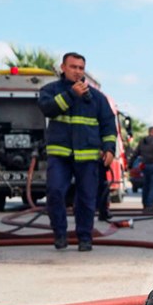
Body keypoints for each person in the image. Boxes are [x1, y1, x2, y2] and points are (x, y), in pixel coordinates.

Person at [38, 53, 118, 252]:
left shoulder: (97, 98)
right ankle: (60, 235)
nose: (77, 71)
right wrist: (72, 94)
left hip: (88, 157)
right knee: (55, 193)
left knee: (86, 198)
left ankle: (85, 238)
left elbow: (109, 125)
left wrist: (109, 149)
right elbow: (48, 109)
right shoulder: (50, 90)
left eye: (81, 68)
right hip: (60, 156)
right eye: (73, 67)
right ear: (63, 67)